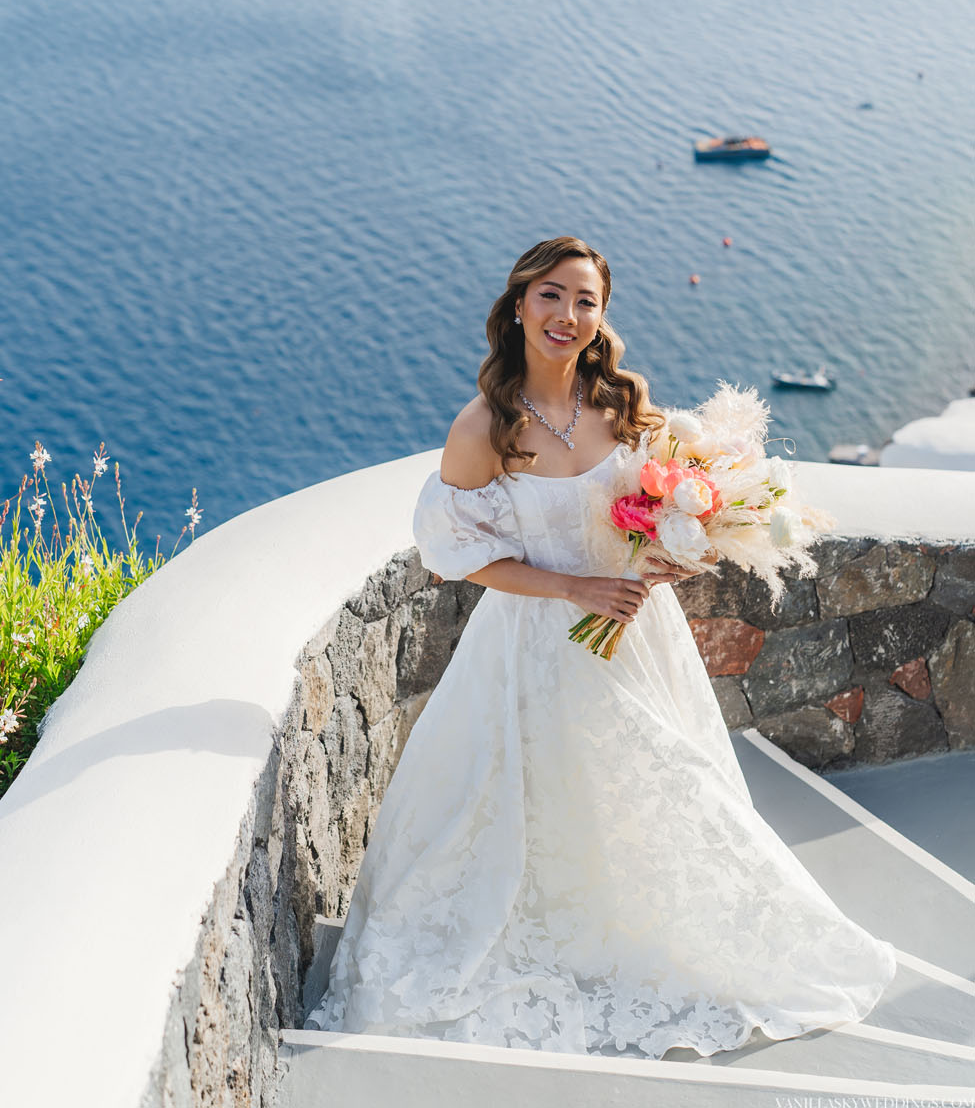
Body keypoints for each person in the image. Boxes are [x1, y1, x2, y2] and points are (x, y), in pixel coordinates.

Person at [306, 235, 897, 1057]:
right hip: (533, 645)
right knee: (533, 799)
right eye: (552, 295)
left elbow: (654, 517)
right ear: (518, 304)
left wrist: (670, 552)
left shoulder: (620, 402)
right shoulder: (483, 428)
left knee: (662, 786)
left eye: (585, 301)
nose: (568, 315)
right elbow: (460, 555)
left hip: (635, 637)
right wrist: (575, 589)